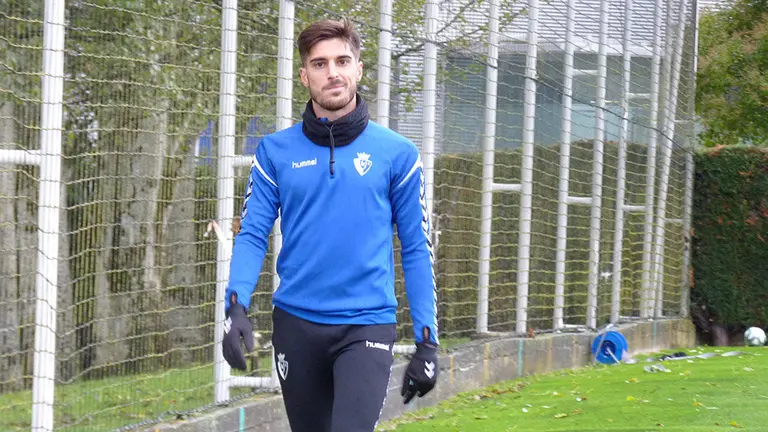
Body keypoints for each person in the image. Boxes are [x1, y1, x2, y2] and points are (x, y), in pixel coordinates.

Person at [220, 18, 440, 432]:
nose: (332, 72)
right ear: (304, 76)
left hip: (367, 325)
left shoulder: (398, 154)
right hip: (296, 325)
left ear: (359, 69)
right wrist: (236, 305)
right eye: (319, 64)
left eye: (342, 61)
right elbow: (252, 233)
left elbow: (415, 248)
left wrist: (427, 340)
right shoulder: (275, 152)